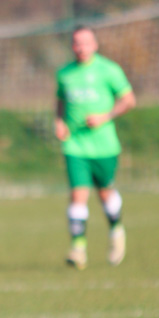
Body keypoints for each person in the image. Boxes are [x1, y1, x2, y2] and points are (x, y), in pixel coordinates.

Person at [55, 25, 135, 270]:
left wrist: (105, 116)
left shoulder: (109, 70)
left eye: (85, 42)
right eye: (76, 43)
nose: (81, 48)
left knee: (104, 193)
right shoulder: (65, 74)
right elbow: (59, 102)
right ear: (72, 46)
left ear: (95, 44)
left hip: (104, 146)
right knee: (78, 193)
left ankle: (116, 230)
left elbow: (129, 100)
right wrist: (59, 123)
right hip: (75, 146)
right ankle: (78, 248)